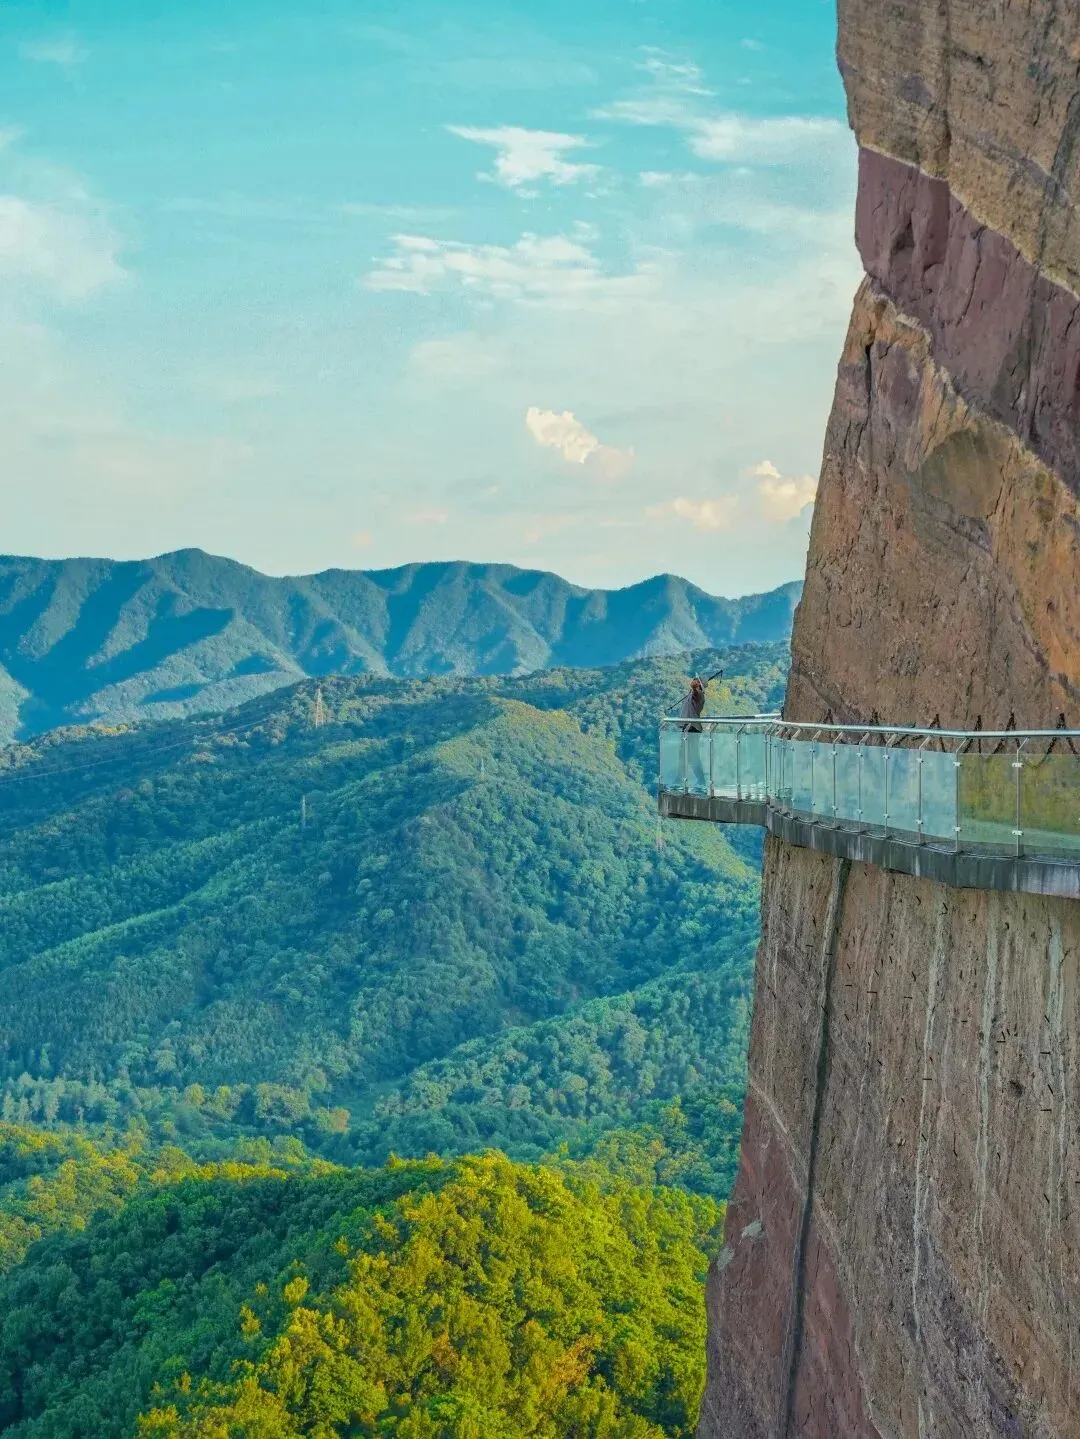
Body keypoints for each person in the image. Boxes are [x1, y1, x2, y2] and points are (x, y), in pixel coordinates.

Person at [678, 677, 707, 791]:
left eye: (697, 681)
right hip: (688, 727)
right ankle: (680, 780)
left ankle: (701, 781)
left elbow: (696, 694)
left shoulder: (699, 694)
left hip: (692, 728)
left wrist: (695, 688)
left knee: (692, 756)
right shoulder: (691, 694)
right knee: (683, 754)